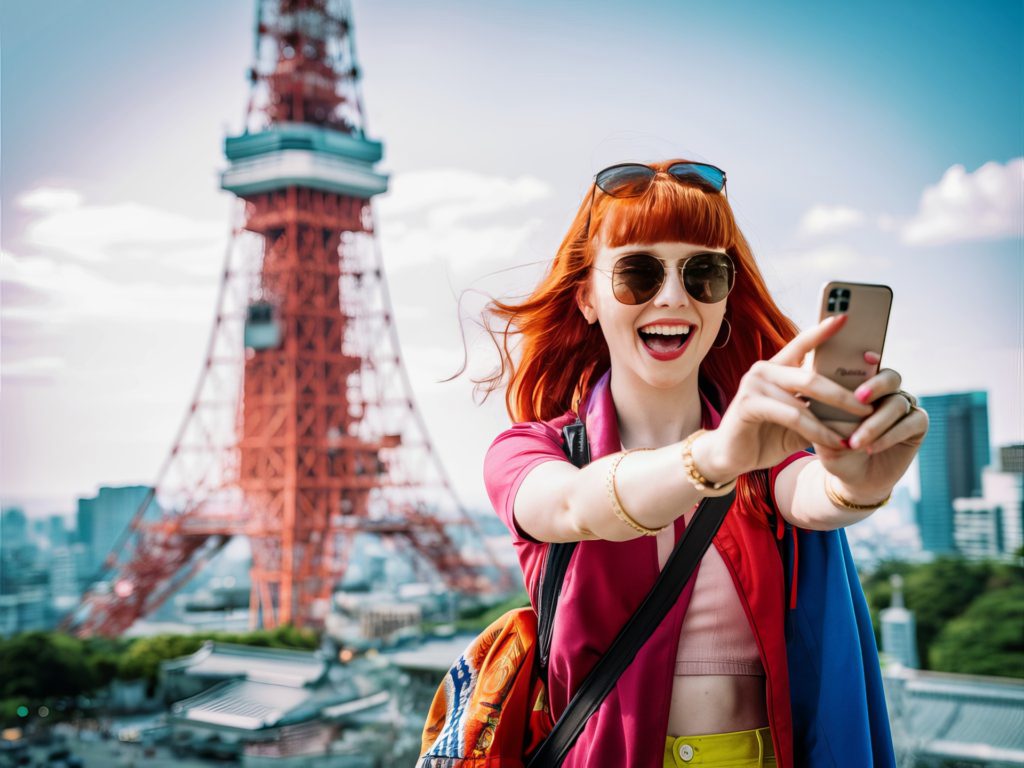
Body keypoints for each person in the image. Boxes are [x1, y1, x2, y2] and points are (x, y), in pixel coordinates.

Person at [475, 160, 929, 768]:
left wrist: (858, 483)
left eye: (704, 274)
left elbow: (810, 493)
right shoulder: (532, 451)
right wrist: (716, 455)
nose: (672, 296)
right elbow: (571, 506)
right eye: (638, 272)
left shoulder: (765, 447)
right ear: (586, 296)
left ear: (724, 301)